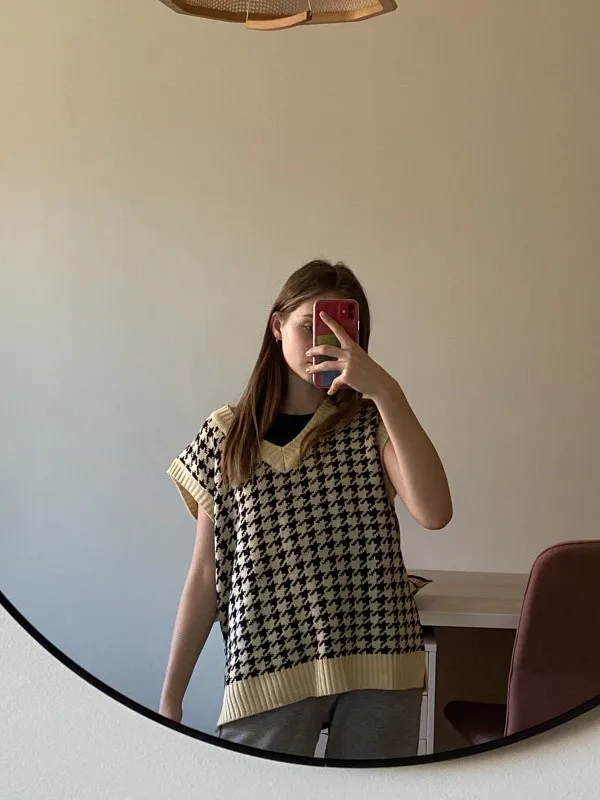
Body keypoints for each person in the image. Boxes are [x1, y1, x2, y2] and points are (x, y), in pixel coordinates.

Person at [159, 259, 452, 760]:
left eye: (342, 330)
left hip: (380, 661)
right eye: (309, 326)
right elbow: (206, 573)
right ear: (276, 327)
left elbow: (435, 512)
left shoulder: (370, 424)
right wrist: (171, 697)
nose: (324, 342)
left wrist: (386, 390)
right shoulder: (226, 436)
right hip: (266, 667)